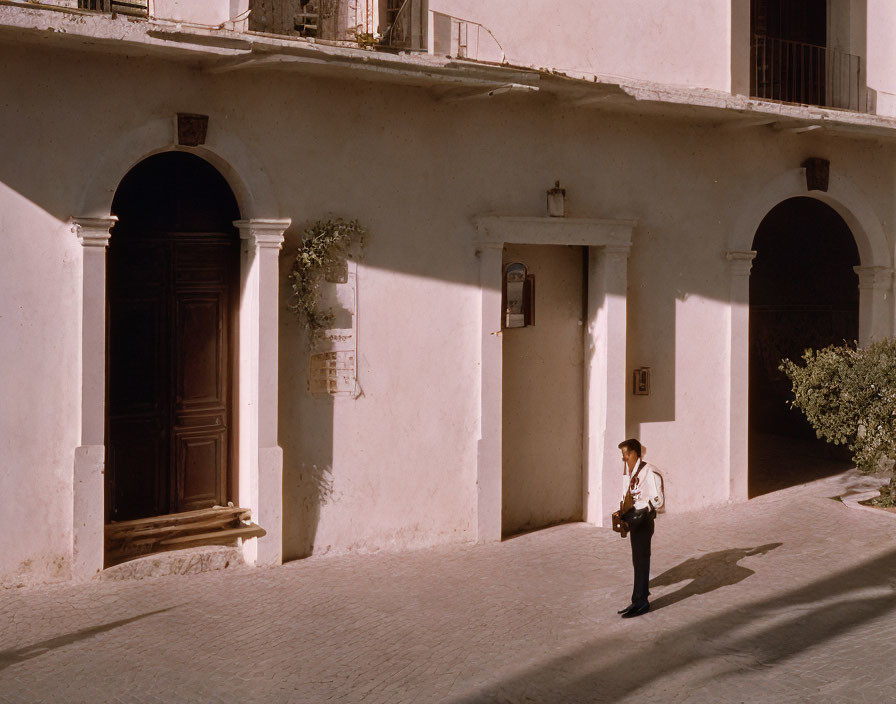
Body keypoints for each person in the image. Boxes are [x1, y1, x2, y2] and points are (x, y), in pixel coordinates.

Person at [616, 438, 661, 618]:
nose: (624, 459)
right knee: (637, 561)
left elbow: (658, 500)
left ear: (634, 454)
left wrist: (641, 509)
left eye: (625, 456)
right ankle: (637, 600)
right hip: (634, 520)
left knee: (642, 561)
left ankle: (642, 602)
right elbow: (628, 494)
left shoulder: (650, 472)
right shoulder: (631, 473)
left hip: (643, 521)